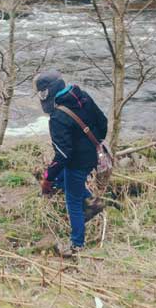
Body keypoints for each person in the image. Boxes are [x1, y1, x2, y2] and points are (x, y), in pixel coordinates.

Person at [35, 71, 108, 257]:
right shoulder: (83, 96)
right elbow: (103, 122)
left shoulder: (58, 118)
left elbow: (62, 155)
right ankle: (92, 202)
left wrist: (46, 179)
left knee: (73, 202)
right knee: (63, 179)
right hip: (93, 155)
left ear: (47, 93)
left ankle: (76, 245)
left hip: (77, 162)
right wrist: (92, 144)